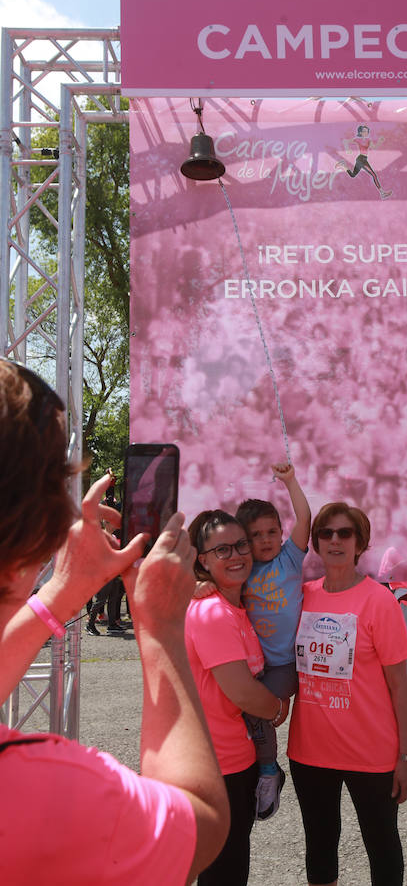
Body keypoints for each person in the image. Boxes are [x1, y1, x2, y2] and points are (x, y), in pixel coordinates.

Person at [0, 357, 229, 884]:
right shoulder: (47, 787)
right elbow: (200, 822)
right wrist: (161, 629)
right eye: (56, 486)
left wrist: (61, 592)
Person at [288, 502, 407, 886]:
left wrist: (406, 756)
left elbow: (399, 686)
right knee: (320, 846)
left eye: (345, 533)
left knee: (382, 846)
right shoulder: (301, 597)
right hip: (310, 752)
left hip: (371, 753)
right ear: (315, 543)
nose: (335, 540)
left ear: (360, 543)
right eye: (326, 533)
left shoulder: (379, 601)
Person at [186, 510, 290, 886]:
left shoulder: (236, 608)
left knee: (229, 869)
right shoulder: (214, 613)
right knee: (224, 874)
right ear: (203, 560)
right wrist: (277, 707)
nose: (236, 555)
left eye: (241, 545)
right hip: (218, 768)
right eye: (222, 549)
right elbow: (243, 692)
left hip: (236, 762)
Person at [235, 462, 310, 818]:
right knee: (246, 714)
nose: (265, 540)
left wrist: (290, 481)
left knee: (258, 710)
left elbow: (305, 517)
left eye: (271, 532)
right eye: (256, 535)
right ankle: (256, 766)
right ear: (243, 542)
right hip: (255, 665)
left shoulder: (290, 560)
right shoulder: (242, 571)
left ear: (282, 534)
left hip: (285, 665)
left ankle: (269, 771)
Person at [335, 124, 392, 200]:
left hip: (362, 159)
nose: (366, 133)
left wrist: (380, 141)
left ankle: (343, 166)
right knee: (374, 175)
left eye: (367, 131)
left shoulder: (368, 140)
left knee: (353, 175)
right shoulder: (358, 139)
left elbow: (374, 147)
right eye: (364, 131)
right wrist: (347, 149)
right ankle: (382, 193)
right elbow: (345, 141)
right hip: (361, 159)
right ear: (361, 132)